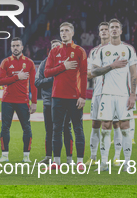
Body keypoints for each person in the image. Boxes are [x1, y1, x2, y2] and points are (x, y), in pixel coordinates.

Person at [91, 18, 137, 172]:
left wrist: (133, 94)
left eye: (117, 27)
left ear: (121, 30)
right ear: (109, 30)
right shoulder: (101, 51)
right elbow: (94, 72)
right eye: (111, 27)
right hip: (106, 95)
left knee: (125, 128)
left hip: (124, 95)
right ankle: (104, 163)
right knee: (105, 127)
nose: (114, 29)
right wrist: (111, 66)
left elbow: (134, 74)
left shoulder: (129, 49)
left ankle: (127, 163)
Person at [44, 22, 88, 170]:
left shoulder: (80, 51)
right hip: (57, 96)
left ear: (72, 33)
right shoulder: (54, 52)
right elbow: (46, 72)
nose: (63, 33)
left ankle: (80, 161)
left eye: (67, 30)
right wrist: (64, 66)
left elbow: (83, 75)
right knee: (57, 129)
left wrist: (83, 96)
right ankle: (56, 162)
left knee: (78, 129)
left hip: (75, 97)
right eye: (61, 30)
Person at [0, 37, 37, 163]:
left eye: (17, 45)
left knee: (27, 128)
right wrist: (16, 77)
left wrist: (34, 102)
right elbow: (0, 81)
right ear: (10, 47)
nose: (15, 48)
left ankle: (26, 156)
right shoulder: (6, 62)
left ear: (22, 47)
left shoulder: (29, 63)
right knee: (5, 128)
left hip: (23, 101)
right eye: (13, 45)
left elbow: (33, 84)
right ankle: (4, 155)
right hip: (7, 100)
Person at [35, 39, 73, 165]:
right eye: (53, 47)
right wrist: (53, 78)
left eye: (58, 46)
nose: (55, 48)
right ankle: (48, 157)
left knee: (67, 129)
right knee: (49, 130)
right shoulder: (44, 63)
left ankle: (69, 159)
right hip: (48, 102)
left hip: (65, 101)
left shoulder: (68, 63)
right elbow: (37, 82)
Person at [85, 22, 110, 165]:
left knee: (113, 125)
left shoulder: (118, 50)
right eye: (102, 30)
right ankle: (93, 157)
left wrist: (98, 70)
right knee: (95, 123)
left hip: (113, 93)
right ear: (99, 33)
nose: (105, 32)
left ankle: (112, 158)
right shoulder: (93, 51)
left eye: (107, 29)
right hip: (98, 93)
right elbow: (88, 73)